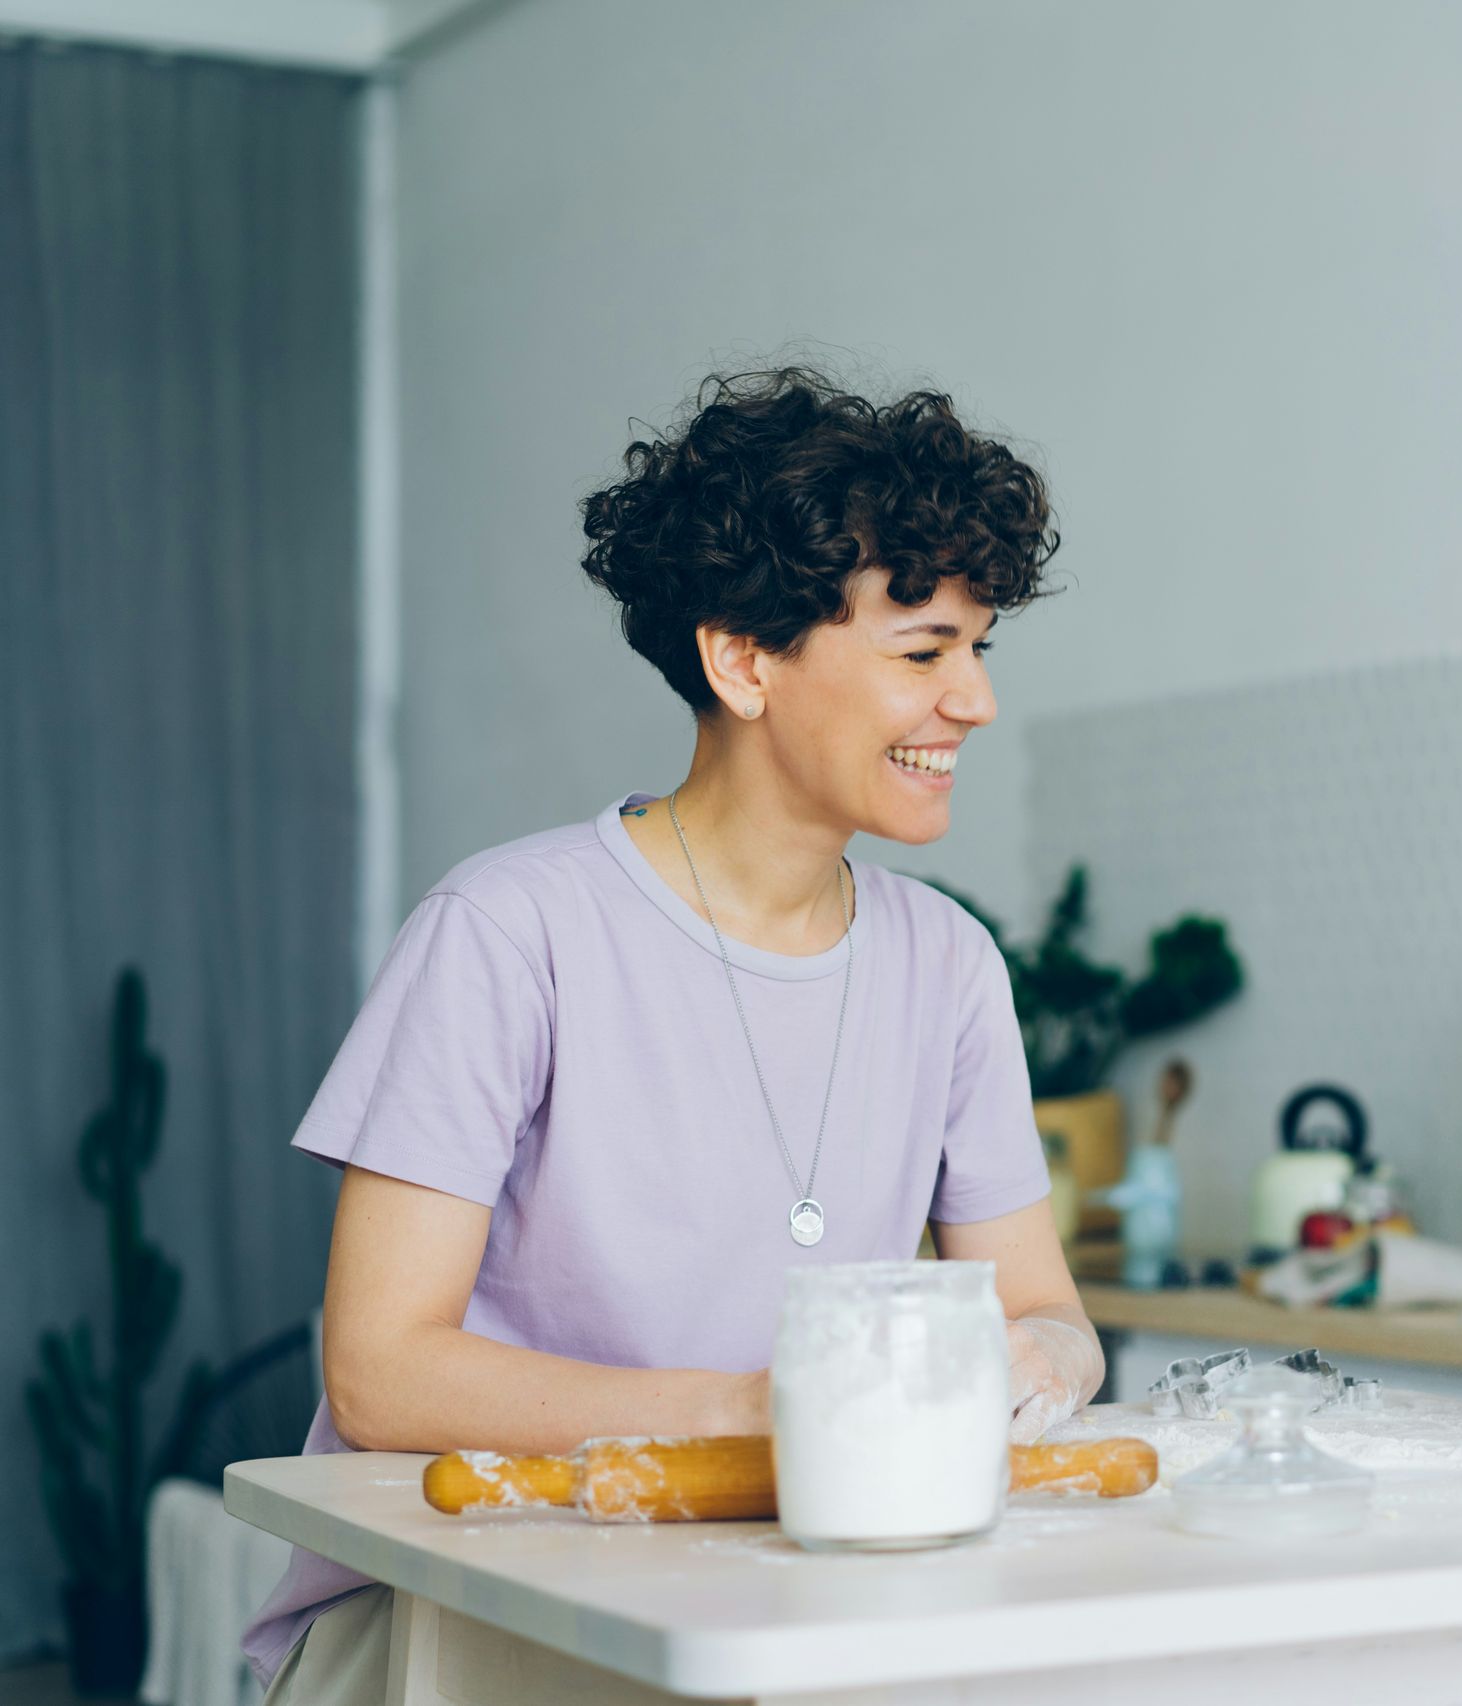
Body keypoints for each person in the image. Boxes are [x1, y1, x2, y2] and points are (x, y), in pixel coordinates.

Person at [245, 368, 1103, 1702]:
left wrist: (1047, 1357)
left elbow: (1045, 1304)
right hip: (476, 1609)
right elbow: (379, 1369)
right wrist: (759, 1410)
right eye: (926, 651)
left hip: (774, 1602)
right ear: (743, 659)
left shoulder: (950, 965)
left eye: (980, 649)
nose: (975, 700)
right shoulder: (507, 929)